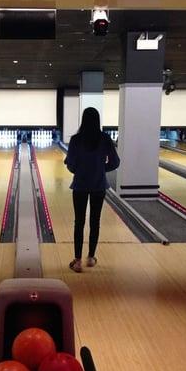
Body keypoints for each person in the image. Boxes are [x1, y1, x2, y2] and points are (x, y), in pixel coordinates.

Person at [64, 107, 120, 273]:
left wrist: (80, 170)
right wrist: (102, 169)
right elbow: (115, 162)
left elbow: (70, 163)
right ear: (98, 120)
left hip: (80, 185)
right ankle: (91, 258)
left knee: (79, 222)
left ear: (83, 120)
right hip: (99, 185)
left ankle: (78, 261)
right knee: (95, 221)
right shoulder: (105, 138)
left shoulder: (75, 140)